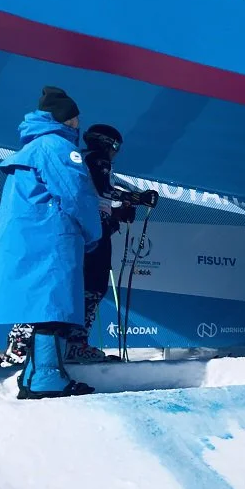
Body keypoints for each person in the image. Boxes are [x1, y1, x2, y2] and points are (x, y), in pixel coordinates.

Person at [0, 87, 102, 398]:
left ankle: (33, 377)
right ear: (65, 120)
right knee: (54, 309)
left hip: (31, 240)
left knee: (44, 307)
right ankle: (47, 379)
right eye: (76, 118)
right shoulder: (57, 148)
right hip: (52, 241)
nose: (79, 124)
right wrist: (94, 233)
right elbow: (78, 195)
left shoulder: (32, 148)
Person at [65, 124, 157, 362]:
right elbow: (105, 189)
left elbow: (97, 196)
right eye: (116, 147)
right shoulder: (97, 159)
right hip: (92, 230)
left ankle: (64, 343)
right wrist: (136, 198)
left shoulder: (82, 159)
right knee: (93, 285)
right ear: (107, 144)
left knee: (83, 285)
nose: (116, 153)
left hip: (84, 228)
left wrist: (116, 217)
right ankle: (75, 344)